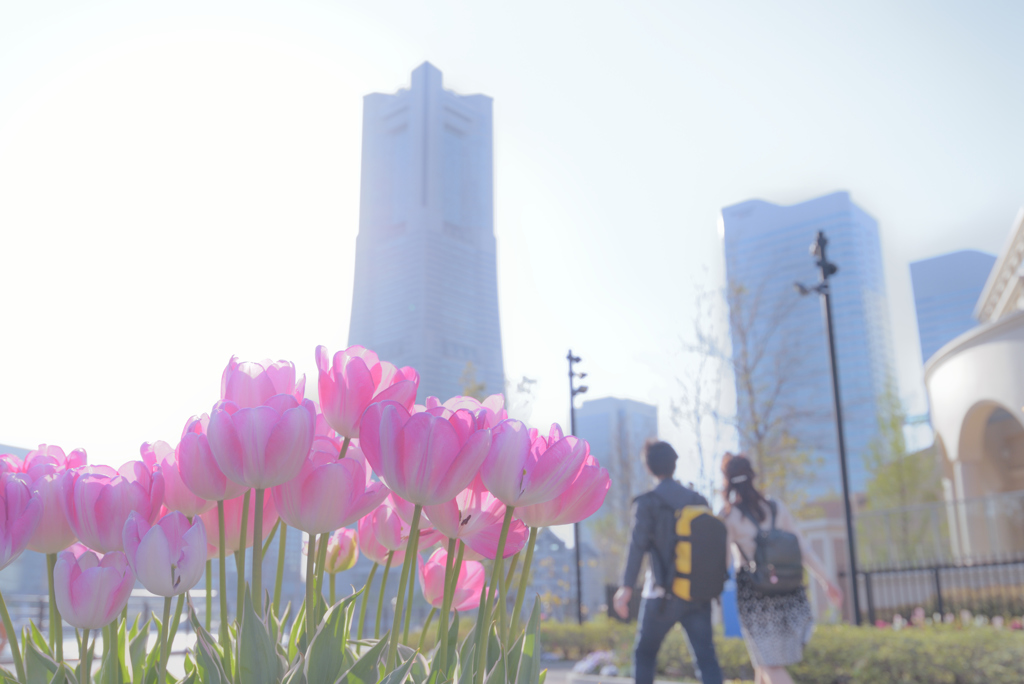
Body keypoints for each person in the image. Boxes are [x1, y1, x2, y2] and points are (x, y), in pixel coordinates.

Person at [719, 453, 844, 684]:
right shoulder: (775, 506)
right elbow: (803, 548)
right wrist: (827, 581)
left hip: (756, 598)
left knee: (770, 666)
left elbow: (723, 562)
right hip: (789, 593)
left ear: (727, 481)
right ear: (752, 476)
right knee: (762, 663)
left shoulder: (730, 516)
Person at [613, 441, 723, 684]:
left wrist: (626, 587)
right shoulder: (698, 499)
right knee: (706, 659)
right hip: (697, 594)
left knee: (645, 654)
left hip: (661, 596)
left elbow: (637, 545)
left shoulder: (647, 502)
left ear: (649, 467)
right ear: (674, 465)